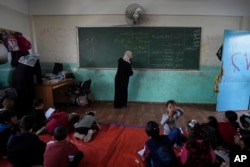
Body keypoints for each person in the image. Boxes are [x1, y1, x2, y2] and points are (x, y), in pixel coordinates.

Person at [12, 54, 43, 118]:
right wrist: (41, 81)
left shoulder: (23, 58)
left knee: (19, 96)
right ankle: (29, 114)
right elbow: (38, 73)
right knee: (29, 96)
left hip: (16, 78)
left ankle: (21, 115)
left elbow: (13, 63)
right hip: (25, 80)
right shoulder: (36, 60)